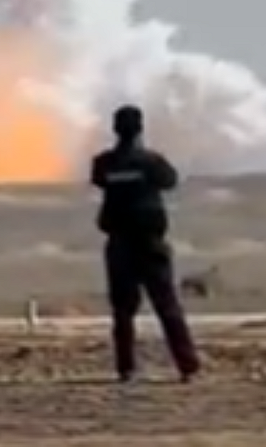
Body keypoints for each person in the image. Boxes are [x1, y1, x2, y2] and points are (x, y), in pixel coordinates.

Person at [90, 104, 201, 383]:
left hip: (119, 245)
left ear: (115, 129)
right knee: (167, 307)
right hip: (149, 244)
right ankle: (187, 366)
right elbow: (170, 180)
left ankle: (126, 368)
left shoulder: (105, 163)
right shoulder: (151, 163)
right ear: (140, 129)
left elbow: (100, 181)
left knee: (123, 312)